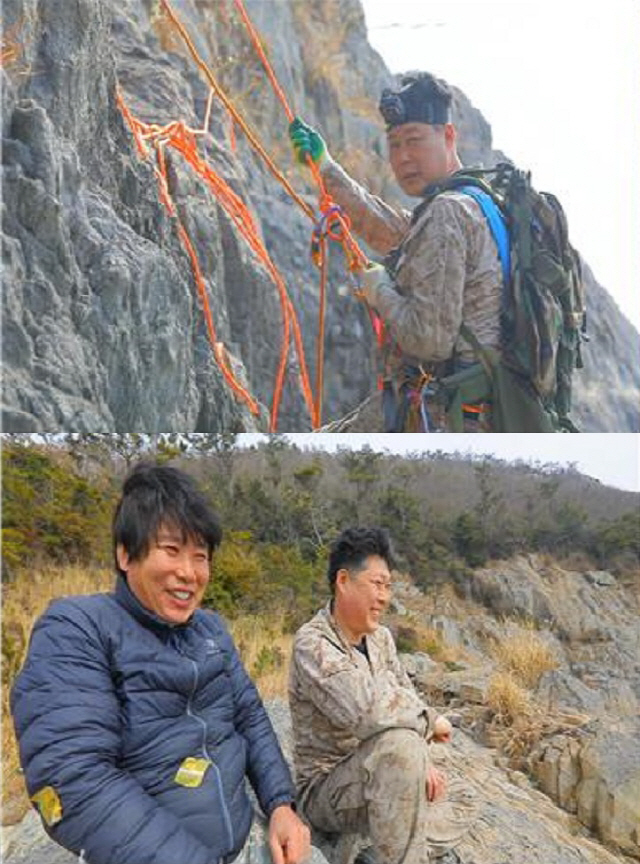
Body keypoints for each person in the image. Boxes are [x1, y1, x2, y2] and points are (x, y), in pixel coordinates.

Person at [11, 462, 311, 864]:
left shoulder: (211, 630)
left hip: (246, 840)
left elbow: (250, 717)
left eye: (200, 556)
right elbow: (73, 777)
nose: (188, 573)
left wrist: (280, 804)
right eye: (171, 550)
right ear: (124, 554)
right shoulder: (77, 627)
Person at [289, 72, 503, 432]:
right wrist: (326, 167)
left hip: (446, 419)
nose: (403, 157)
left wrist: (379, 290)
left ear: (448, 136)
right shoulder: (478, 202)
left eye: (415, 140)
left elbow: (428, 341)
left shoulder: (447, 212)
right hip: (478, 413)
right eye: (394, 144)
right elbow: (394, 231)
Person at [288, 527, 478, 864]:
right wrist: (430, 722)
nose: (385, 596)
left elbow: (406, 695)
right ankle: (397, 851)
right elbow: (368, 712)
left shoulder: (381, 639)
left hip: (386, 774)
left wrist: (423, 762)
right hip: (328, 790)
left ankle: (376, 851)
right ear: (343, 581)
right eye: (377, 584)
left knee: (464, 795)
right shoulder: (313, 643)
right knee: (402, 752)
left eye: (388, 586)